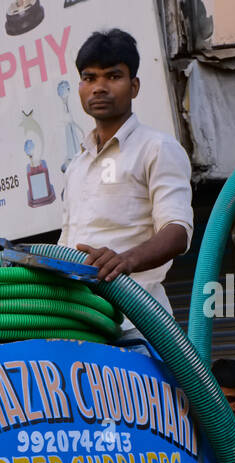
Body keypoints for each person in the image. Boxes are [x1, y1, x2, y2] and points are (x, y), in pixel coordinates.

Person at [58, 29, 193, 320]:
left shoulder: (158, 148)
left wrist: (124, 261)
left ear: (134, 86)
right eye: (89, 78)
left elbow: (177, 231)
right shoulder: (76, 166)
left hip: (138, 323)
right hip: (83, 320)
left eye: (113, 76)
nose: (99, 88)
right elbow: (67, 244)